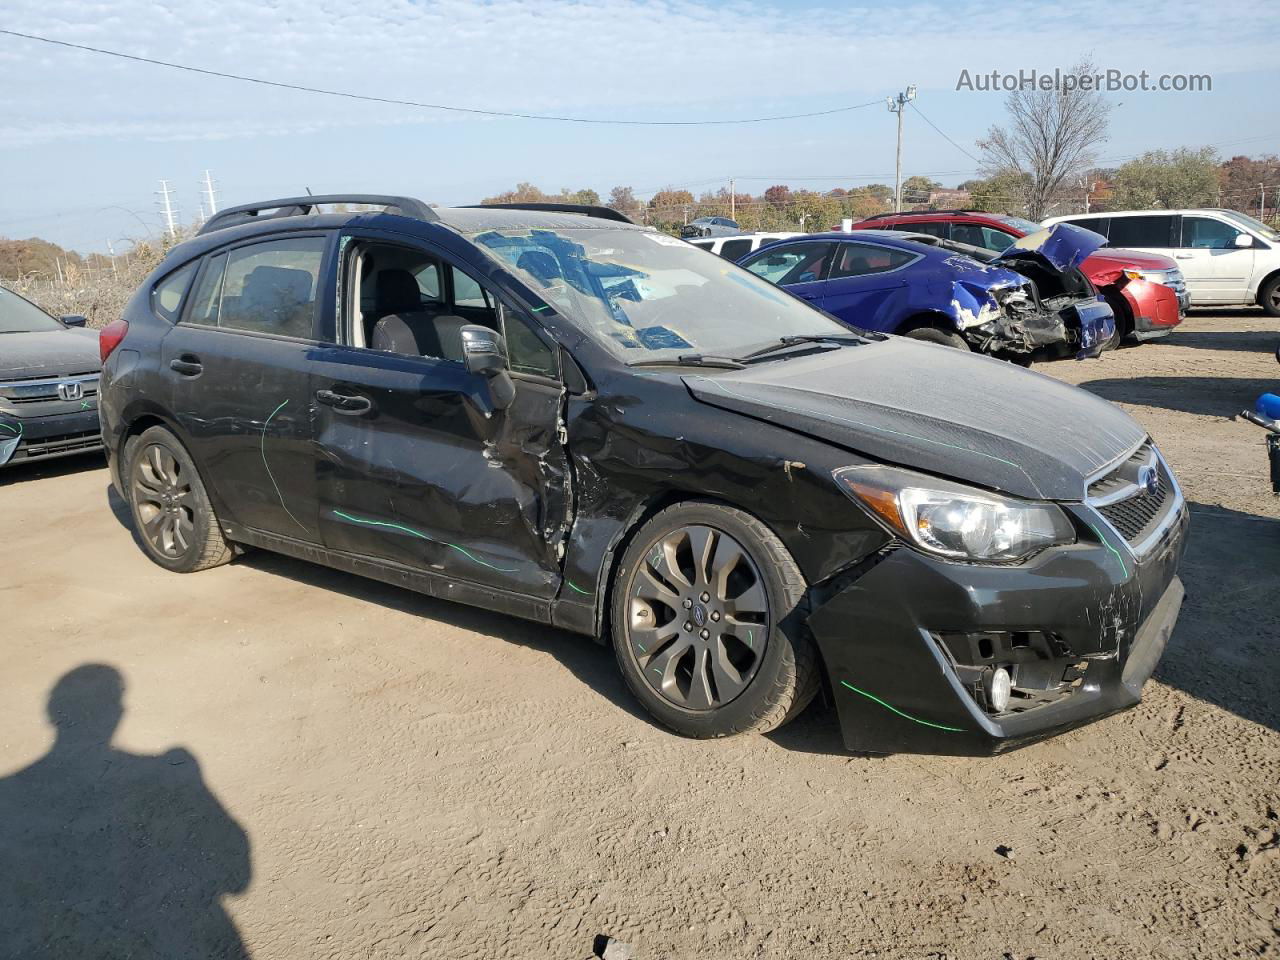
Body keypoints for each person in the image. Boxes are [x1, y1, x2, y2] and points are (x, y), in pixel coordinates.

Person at [0, 664, 252, 958]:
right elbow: (237, 877)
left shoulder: (8, 794)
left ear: (52, 715)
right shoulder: (168, 771)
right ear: (117, 713)